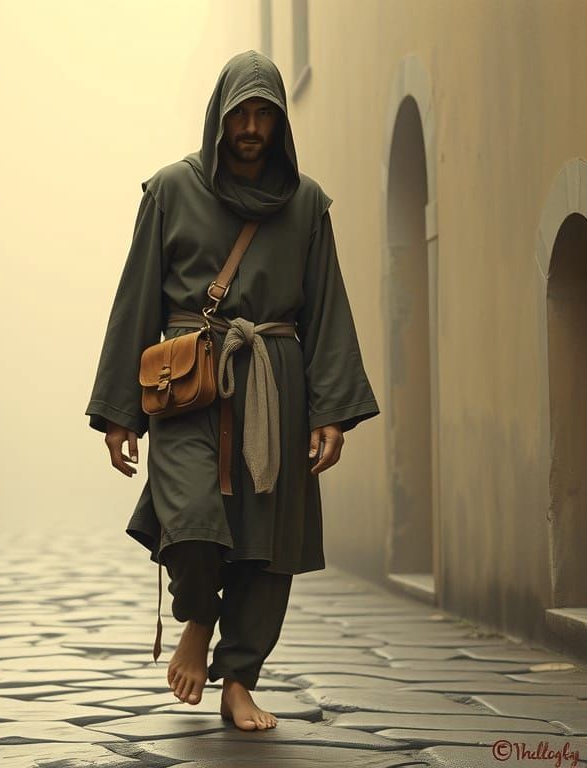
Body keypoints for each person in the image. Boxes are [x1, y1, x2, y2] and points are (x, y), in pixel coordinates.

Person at [85, 50, 379, 732]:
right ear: (218, 118)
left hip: (277, 387)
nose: (251, 126)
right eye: (239, 113)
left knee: (265, 545)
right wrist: (118, 413)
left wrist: (330, 409)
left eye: (264, 114)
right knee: (186, 520)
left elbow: (328, 309)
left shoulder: (307, 206)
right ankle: (199, 614)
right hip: (190, 388)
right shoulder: (169, 191)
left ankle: (240, 678)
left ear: (279, 123)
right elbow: (134, 300)